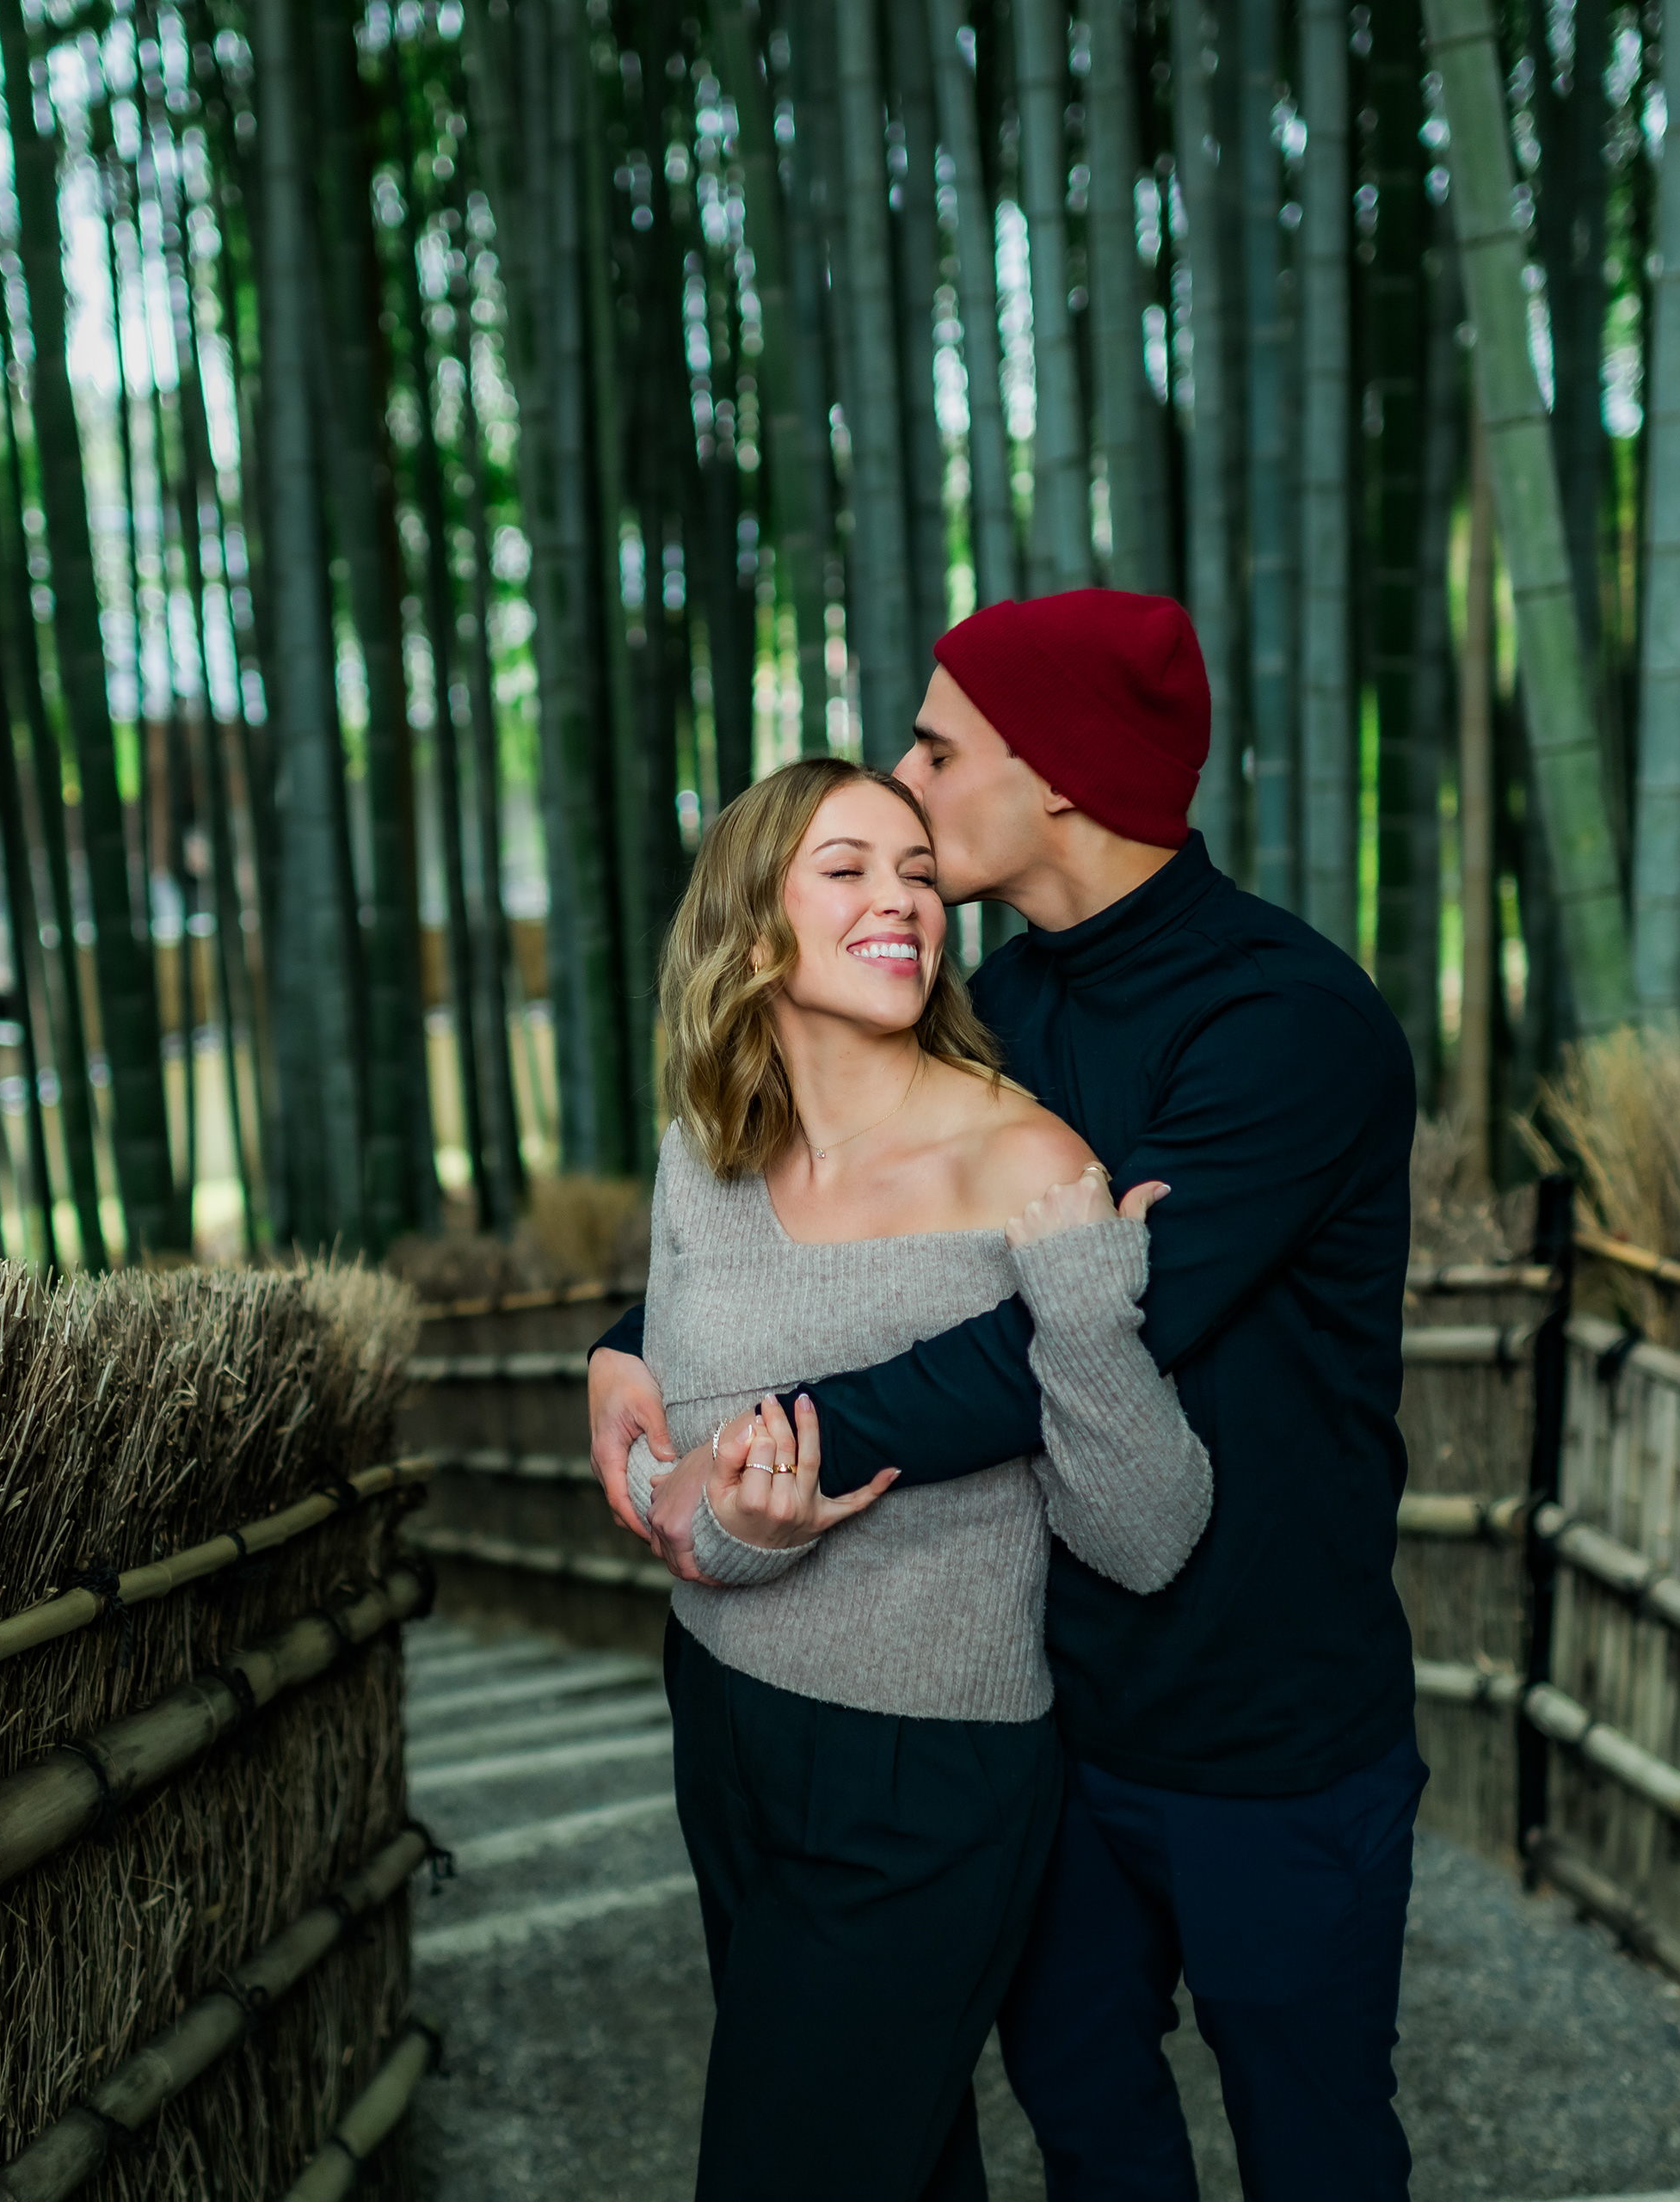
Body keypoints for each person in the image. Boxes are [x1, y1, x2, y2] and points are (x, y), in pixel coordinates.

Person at [597, 591, 1426, 2200]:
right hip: (1048, 1701)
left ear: (1055, 776)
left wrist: (749, 1451)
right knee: (1090, 2136)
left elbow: (1039, 1348)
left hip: (1262, 1713)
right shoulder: (1008, 1008)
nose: (905, 786)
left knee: (1316, 2147)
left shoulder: (1285, 1026)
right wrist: (630, 1342)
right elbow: (857, 1214)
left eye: (935, 750)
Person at [627, 753, 1212, 2202]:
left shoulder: (1021, 1157)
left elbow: (1146, 1533)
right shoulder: (706, 1152)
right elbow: (674, 1474)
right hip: (723, 1713)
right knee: (895, 2160)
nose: (901, 900)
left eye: (917, 873)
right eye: (846, 870)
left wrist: (1086, 1304)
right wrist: (708, 1507)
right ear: (753, 924)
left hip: (923, 1767)